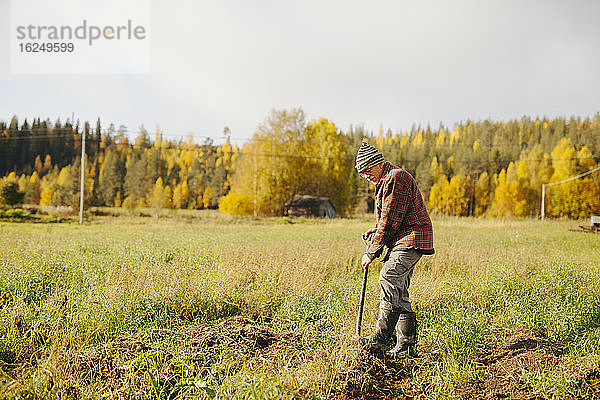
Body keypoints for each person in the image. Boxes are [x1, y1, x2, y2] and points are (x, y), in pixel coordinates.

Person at [355, 141, 434, 357]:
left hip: (412, 238)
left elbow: (390, 221)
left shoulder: (395, 178)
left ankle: (380, 339)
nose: (365, 176)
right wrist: (376, 231)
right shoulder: (384, 181)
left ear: (377, 163)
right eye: (362, 174)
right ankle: (406, 347)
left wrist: (372, 252)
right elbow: (389, 220)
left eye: (366, 171)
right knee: (398, 292)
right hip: (403, 237)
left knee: (388, 277)